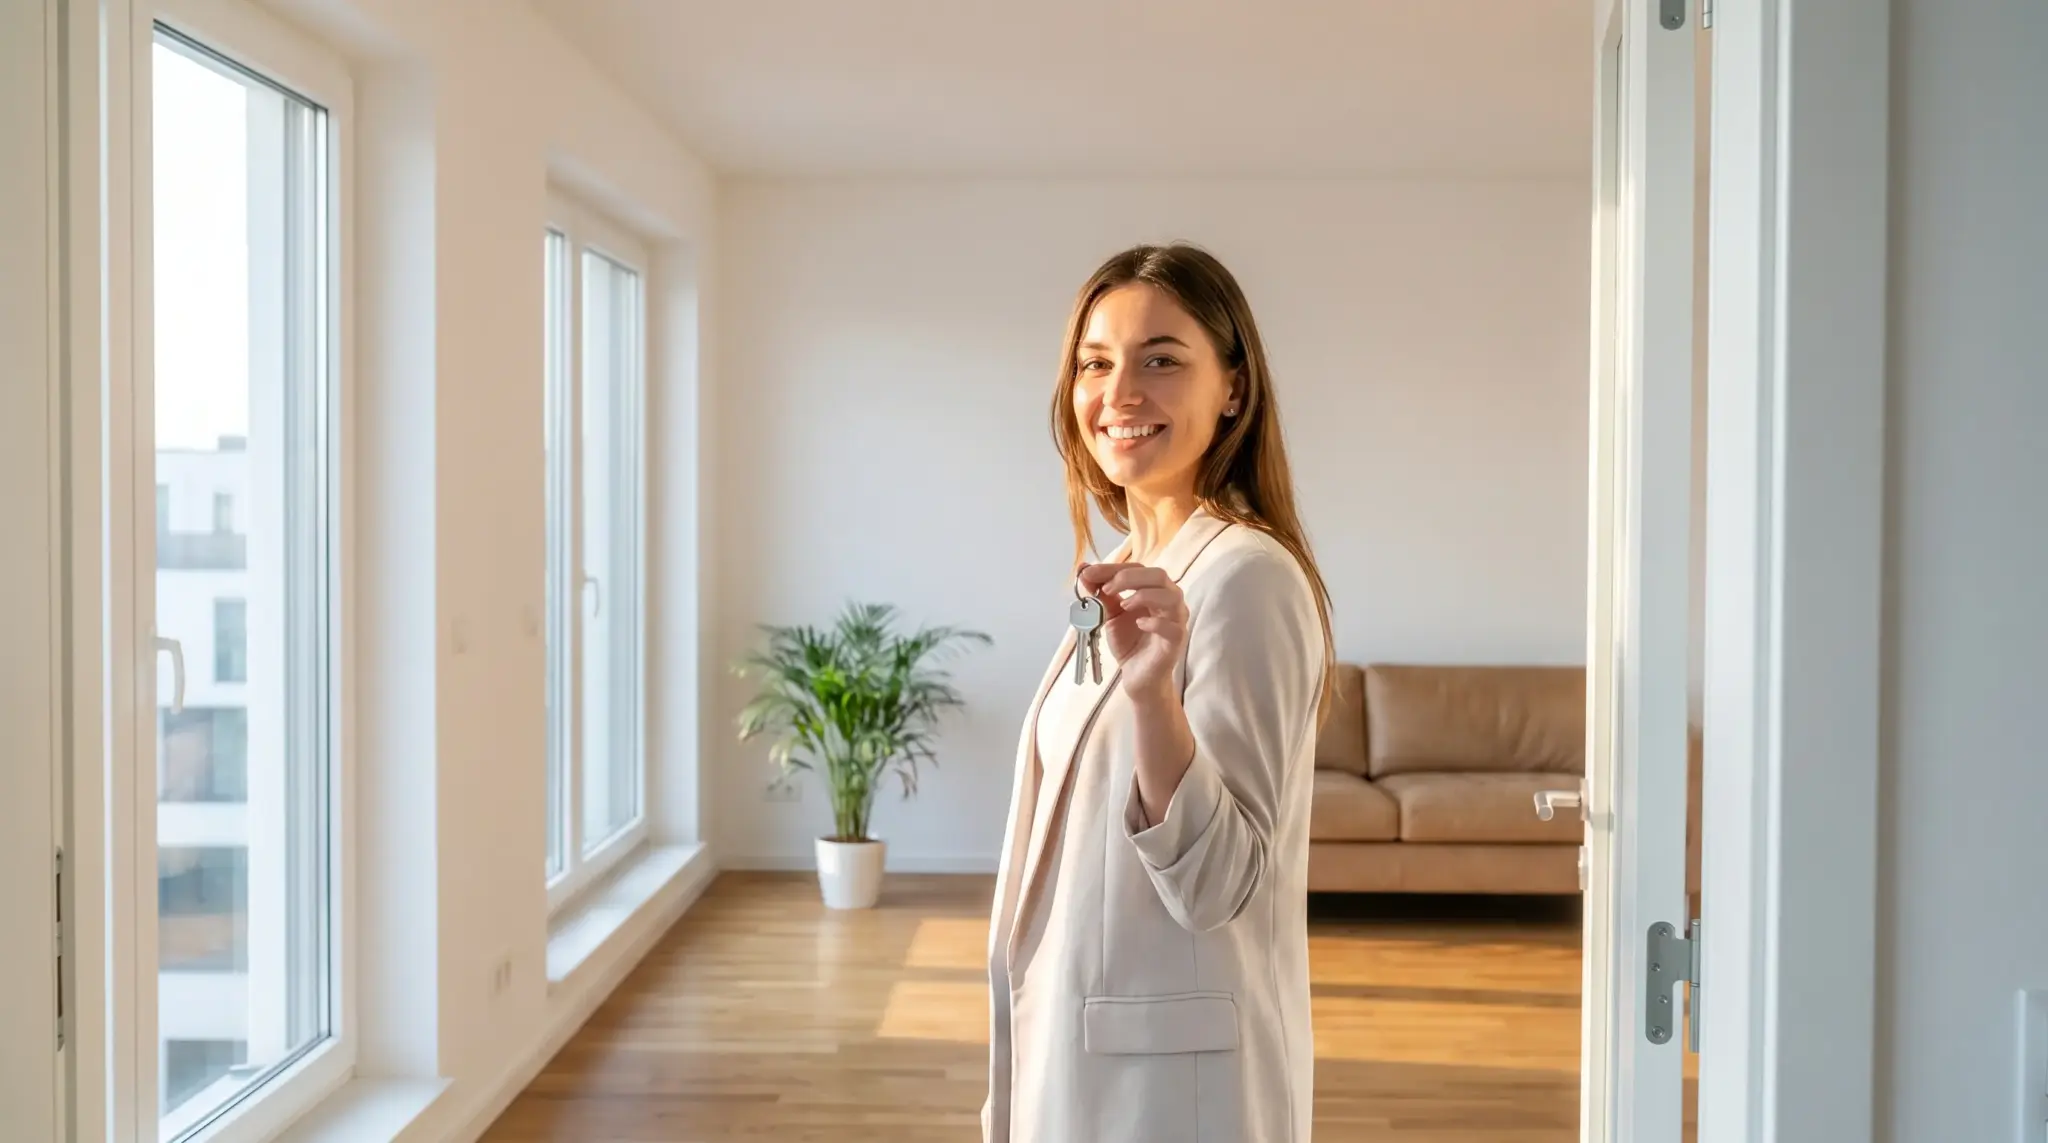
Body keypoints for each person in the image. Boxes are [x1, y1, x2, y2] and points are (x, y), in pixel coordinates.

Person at [983, 242, 1335, 1143]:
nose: (1121, 391)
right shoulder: (1136, 573)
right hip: (1076, 1060)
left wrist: (1153, 700)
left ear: (1233, 388)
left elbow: (1220, 879)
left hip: (1168, 1098)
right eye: (1095, 362)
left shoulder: (1247, 577)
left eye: (1162, 360)